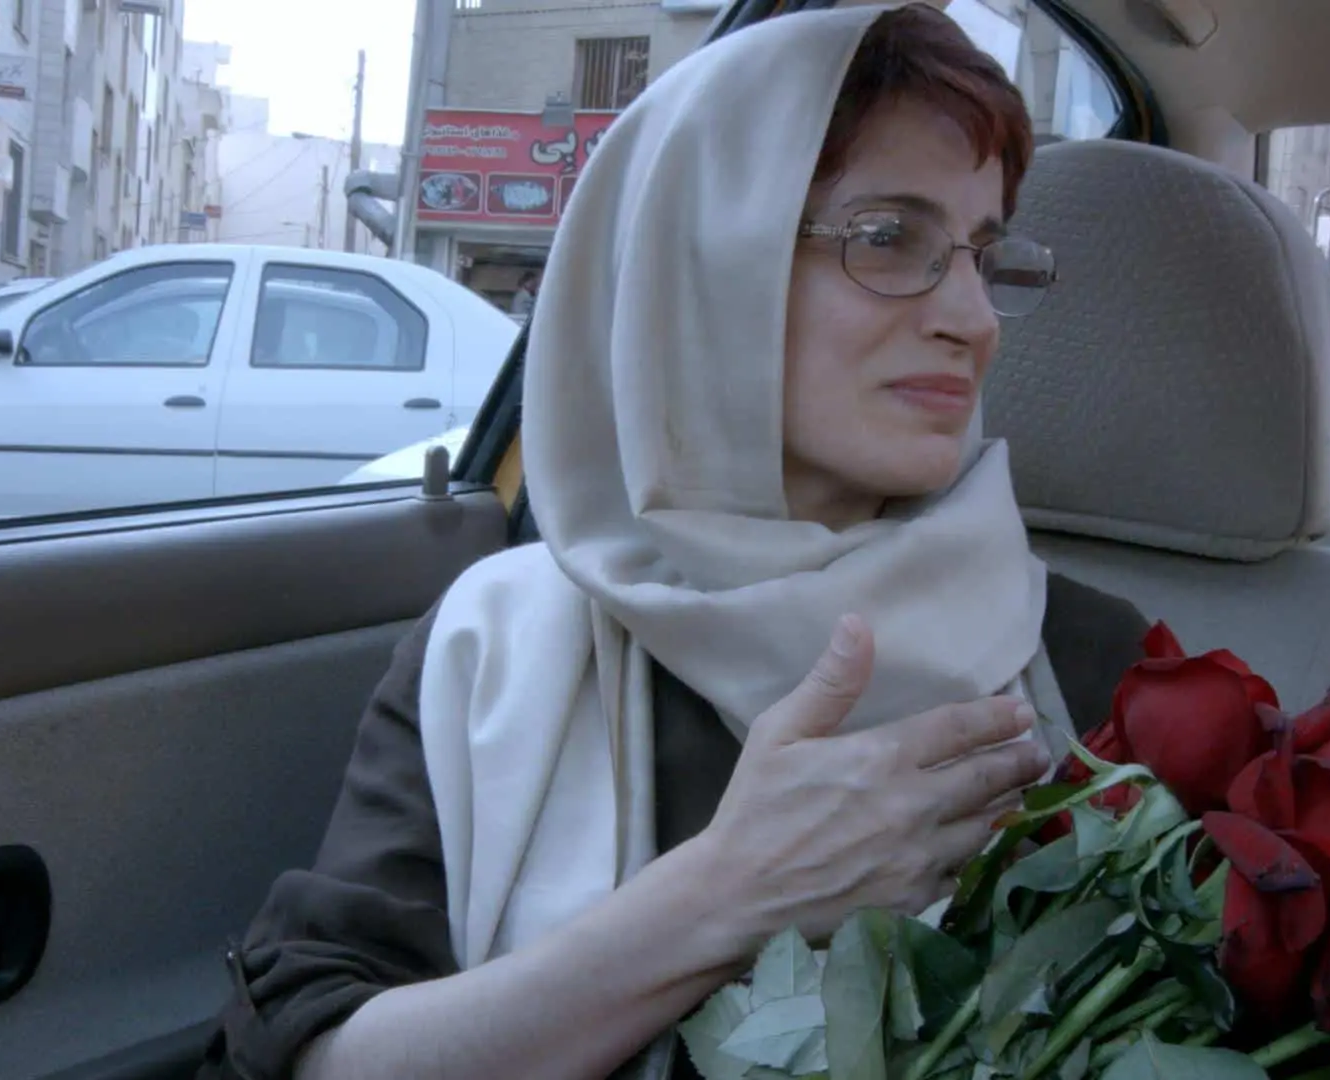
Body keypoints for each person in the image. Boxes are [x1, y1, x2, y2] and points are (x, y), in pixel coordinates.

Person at [196, 5, 1151, 1078]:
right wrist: (727, 897)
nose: (972, 317)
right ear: (700, 267)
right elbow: (302, 1059)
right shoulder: (500, 646)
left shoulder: (1089, 665)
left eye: (982, 252)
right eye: (890, 238)